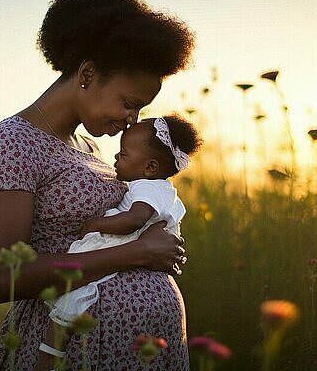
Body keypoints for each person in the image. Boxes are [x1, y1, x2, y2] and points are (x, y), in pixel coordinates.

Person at [0, 0, 195, 370]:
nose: (133, 119)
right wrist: (138, 252)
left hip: (142, 346)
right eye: (128, 103)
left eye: (140, 108)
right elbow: (4, 278)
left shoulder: (89, 147)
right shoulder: (14, 143)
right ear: (88, 74)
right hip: (75, 348)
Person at [35, 114, 202, 370]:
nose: (115, 158)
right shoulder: (159, 189)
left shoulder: (148, 187)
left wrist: (95, 224)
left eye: (123, 154)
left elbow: (133, 220)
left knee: (73, 296)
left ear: (150, 167)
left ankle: (48, 355)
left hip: (118, 247)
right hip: (142, 280)